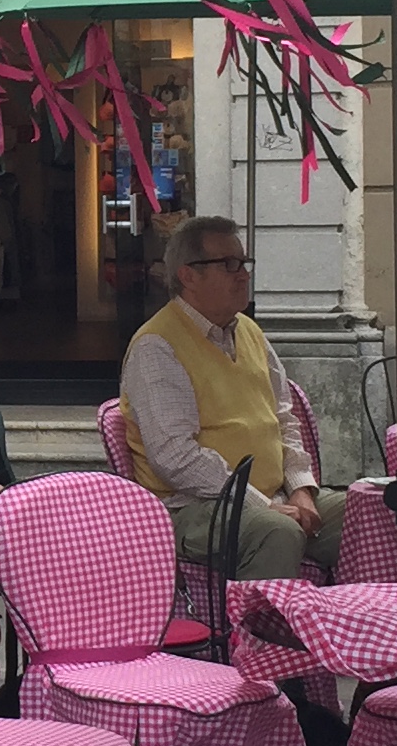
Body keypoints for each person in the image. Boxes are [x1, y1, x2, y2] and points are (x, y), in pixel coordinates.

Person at [118, 215, 344, 578]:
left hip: (271, 496)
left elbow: (284, 419)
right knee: (277, 532)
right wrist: (261, 504)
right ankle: (261, 617)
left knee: (371, 512)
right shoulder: (157, 346)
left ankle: (368, 612)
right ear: (188, 276)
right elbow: (175, 457)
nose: (243, 275)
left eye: (243, 262)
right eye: (228, 264)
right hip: (193, 508)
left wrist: (301, 488)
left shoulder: (249, 331)